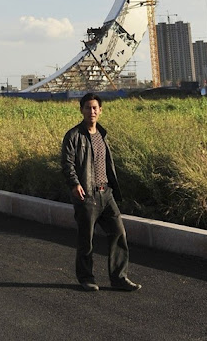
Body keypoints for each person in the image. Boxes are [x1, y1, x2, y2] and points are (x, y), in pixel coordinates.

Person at [61, 92, 141, 292]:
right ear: (81, 110)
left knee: (118, 232)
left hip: (106, 194)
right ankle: (86, 278)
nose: (92, 111)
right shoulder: (73, 136)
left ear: (100, 110)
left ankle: (119, 278)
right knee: (86, 239)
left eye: (95, 108)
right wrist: (74, 183)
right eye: (88, 107)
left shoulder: (102, 135)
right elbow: (67, 163)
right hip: (86, 195)